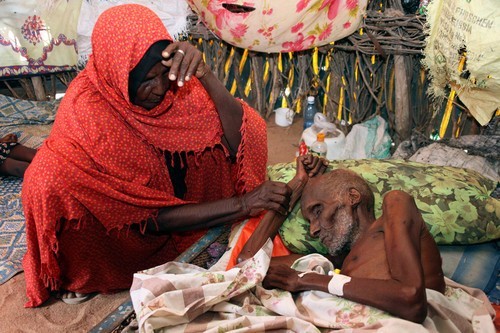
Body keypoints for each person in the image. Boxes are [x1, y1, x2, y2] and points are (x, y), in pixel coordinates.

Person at [21, 4, 292, 307]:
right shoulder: (90, 114)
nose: (161, 88)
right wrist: (243, 204)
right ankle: (88, 273)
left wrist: (206, 76)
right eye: (148, 80)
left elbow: (240, 137)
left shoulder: (178, 86)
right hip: (125, 231)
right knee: (48, 179)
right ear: (120, 74)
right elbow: (146, 218)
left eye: (164, 74)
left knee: (225, 129)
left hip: (183, 207)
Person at [235, 161, 446, 323]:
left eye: (318, 211)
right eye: (309, 222)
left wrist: (305, 280)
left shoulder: (396, 204)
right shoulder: (337, 263)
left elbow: (411, 300)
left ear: (353, 197)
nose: (313, 229)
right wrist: (298, 184)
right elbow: (248, 265)